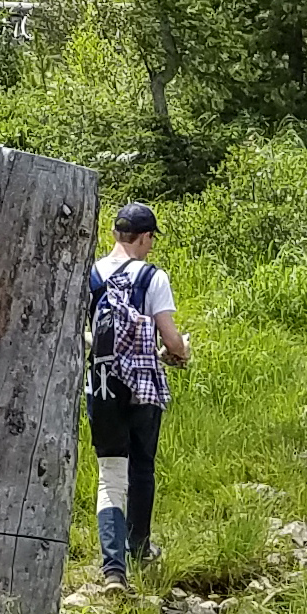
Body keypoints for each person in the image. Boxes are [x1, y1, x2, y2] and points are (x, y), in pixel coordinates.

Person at [83, 200, 191, 587]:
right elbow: (171, 339)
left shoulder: (91, 275)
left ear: (115, 234)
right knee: (142, 468)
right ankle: (140, 548)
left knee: (110, 476)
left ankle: (113, 569)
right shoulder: (152, 277)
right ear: (144, 237)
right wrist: (180, 352)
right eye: (150, 240)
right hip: (142, 385)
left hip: (103, 385)